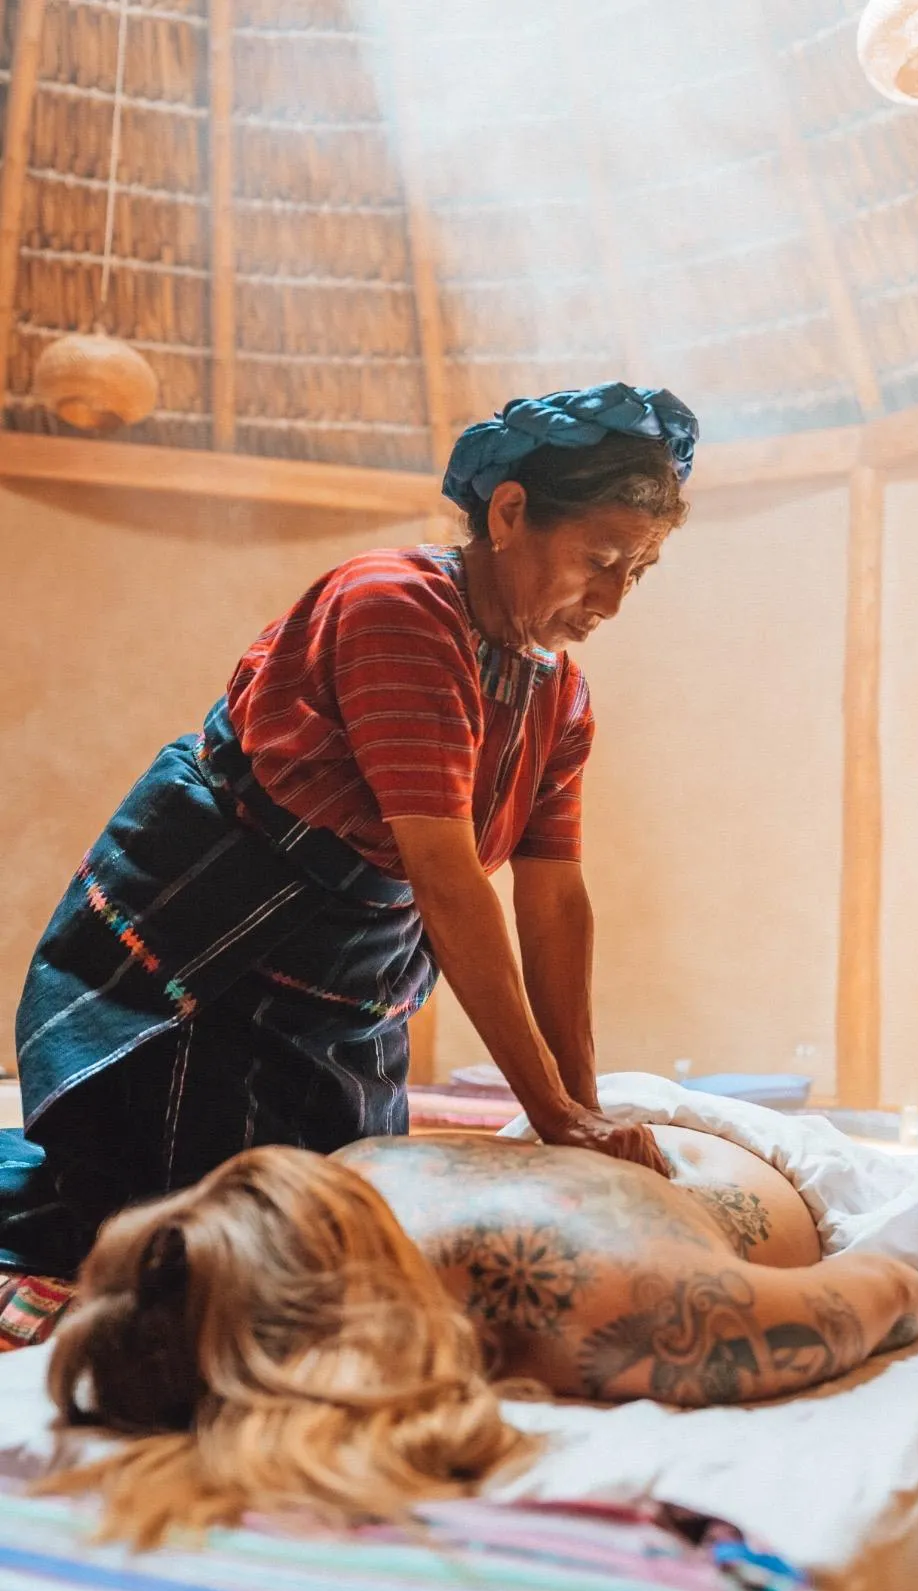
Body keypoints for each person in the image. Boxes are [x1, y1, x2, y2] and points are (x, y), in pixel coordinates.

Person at [1, 383, 699, 1279]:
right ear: (510, 514)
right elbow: (447, 878)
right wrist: (556, 1116)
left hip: (345, 995)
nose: (614, 598)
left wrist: (581, 1109)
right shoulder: (394, 607)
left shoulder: (559, 699)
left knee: (339, 1234)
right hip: (208, 961)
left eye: (638, 571)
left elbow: (555, 900)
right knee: (206, 1251)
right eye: (600, 559)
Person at [36, 1132, 918, 1545]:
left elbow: (901, 1288)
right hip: (627, 1145)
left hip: (729, 1142)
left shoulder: (633, 1298)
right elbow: (893, 1288)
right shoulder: (301, 1208)